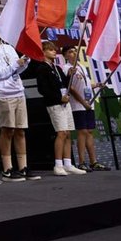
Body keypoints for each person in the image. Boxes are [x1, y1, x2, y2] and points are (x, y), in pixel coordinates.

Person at [0, 22, 40, 181]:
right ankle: (7, 168)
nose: (1, 32)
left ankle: (23, 167)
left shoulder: (9, 48)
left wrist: (24, 62)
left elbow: (17, 70)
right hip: (3, 93)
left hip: (18, 91)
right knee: (7, 130)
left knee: (21, 130)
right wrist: (16, 64)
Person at [36, 42, 84, 176]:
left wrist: (70, 74)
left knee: (68, 133)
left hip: (65, 102)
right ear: (43, 52)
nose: (54, 52)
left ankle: (68, 163)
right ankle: (58, 164)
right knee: (61, 132)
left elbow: (64, 83)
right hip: (55, 104)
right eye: (50, 50)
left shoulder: (56, 67)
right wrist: (58, 98)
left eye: (54, 49)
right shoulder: (42, 68)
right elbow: (43, 89)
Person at [61, 46, 108, 171]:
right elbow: (71, 88)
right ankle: (81, 162)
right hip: (78, 105)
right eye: (70, 52)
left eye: (75, 50)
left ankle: (94, 161)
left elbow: (85, 84)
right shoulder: (67, 68)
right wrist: (82, 102)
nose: (74, 53)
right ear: (65, 56)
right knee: (82, 132)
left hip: (88, 103)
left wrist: (97, 85)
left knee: (90, 131)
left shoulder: (81, 66)